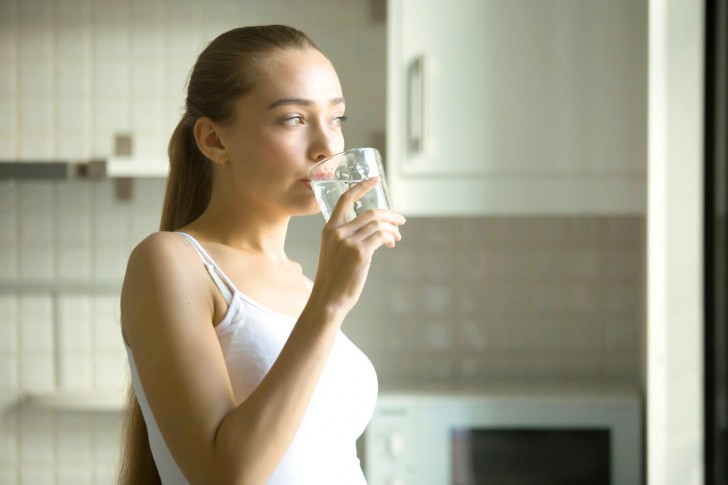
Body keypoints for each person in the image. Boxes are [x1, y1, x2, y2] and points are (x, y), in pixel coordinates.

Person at [116, 25, 405, 485]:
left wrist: (325, 297)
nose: (328, 147)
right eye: (294, 119)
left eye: (337, 119)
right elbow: (225, 475)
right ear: (214, 141)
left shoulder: (303, 283)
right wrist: (330, 303)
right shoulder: (171, 262)